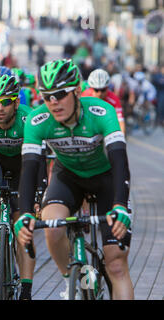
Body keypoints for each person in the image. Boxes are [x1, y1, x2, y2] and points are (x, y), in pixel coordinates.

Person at [15, 59, 134, 300]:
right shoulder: (38, 121)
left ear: (77, 91)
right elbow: (28, 169)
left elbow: (121, 161)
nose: (54, 102)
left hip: (106, 179)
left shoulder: (101, 112)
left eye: (60, 94)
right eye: (47, 96)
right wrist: (25, 211)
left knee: (116, 264)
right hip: (67, 176)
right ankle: (71, 281)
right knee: (51, 224)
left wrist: (120, 204)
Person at [0, 74, 40, 300]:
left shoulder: (28, 118)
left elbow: (39, 161)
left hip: (23, 167)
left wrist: (38, 194)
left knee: (23, 229)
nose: (0, 108)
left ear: (16, 102)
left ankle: (27, 290)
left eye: (6, 101)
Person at [82, 69, 125, 134]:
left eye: (103, 90)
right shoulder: (85, 96)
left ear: (107, 87)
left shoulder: (114, 99)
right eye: (96, 90)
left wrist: (122, 139)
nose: (100, 93)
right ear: (91, 88)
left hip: (106, 127)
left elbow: (120, 121)